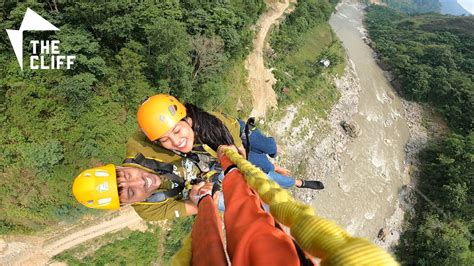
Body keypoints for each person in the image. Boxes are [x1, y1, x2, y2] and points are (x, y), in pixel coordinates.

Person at [135, 94, 324, 190]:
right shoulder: (183, 151)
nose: (176, 141)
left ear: (187, 119)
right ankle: (298, 182)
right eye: (165, 140)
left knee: (269, 147)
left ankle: (274, 154)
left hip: (238, 135)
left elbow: (231, 127)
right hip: (229, 152)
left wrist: (239, 148)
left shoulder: (210, 122)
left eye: (177, 130)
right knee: (265, 170)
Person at [72, 156, 210, 221]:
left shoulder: (140, 148)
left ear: (120, 167)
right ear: (126, 204)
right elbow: (198, 206)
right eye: (131, 192)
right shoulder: (149, 210)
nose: (140, 182)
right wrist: (201, 196)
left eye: (127, 174)